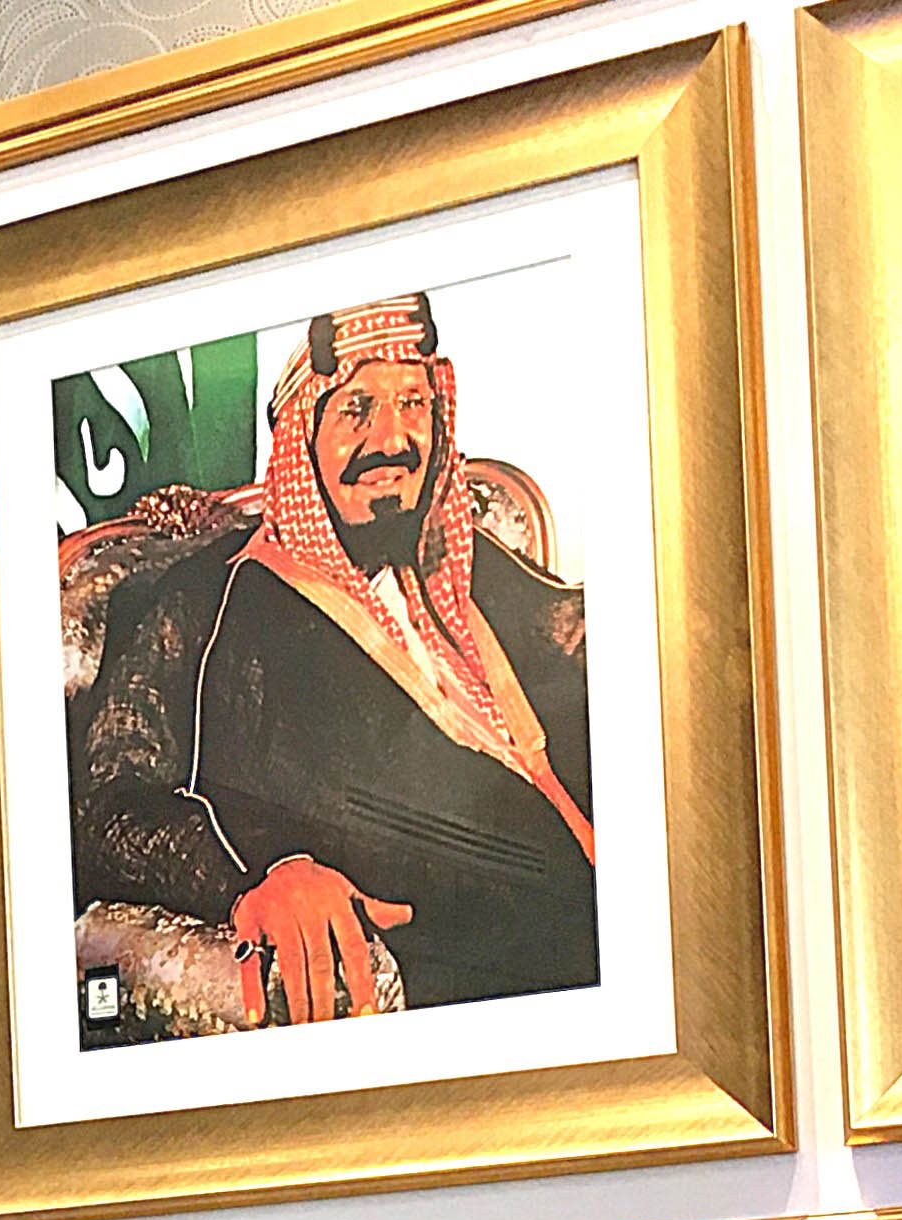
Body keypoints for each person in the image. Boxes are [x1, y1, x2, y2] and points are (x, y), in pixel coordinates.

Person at [73, 295, 598, 1023]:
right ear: (303, 439)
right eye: (357, 409)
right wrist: (261, 877)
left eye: (413, 402)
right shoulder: (211, 597)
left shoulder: (467, 563)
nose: (393, 439)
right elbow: (108, 804)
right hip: (461, 973)